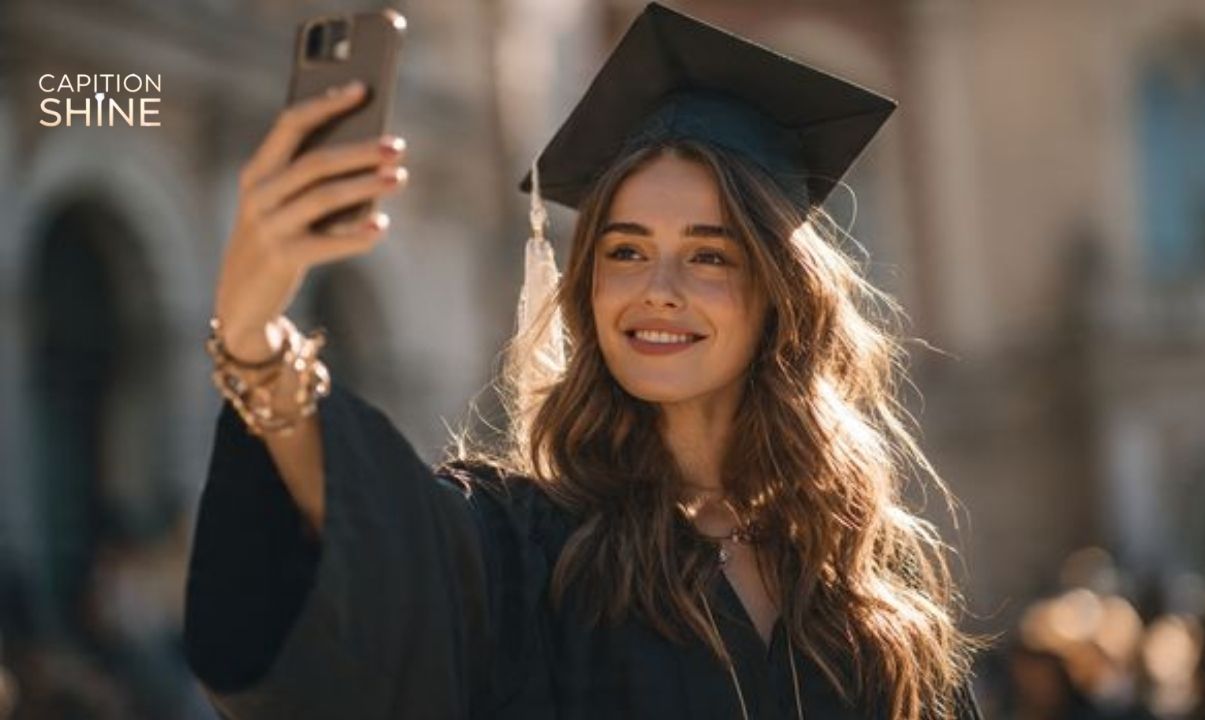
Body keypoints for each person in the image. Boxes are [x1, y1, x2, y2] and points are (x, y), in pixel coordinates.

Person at [183, 4, 982, 719]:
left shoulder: (863, 593)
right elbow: (384, 548)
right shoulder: (528, 551)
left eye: (709, 258)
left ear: (781, 296)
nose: (657, 290)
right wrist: (255, 335)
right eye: (625, 250)